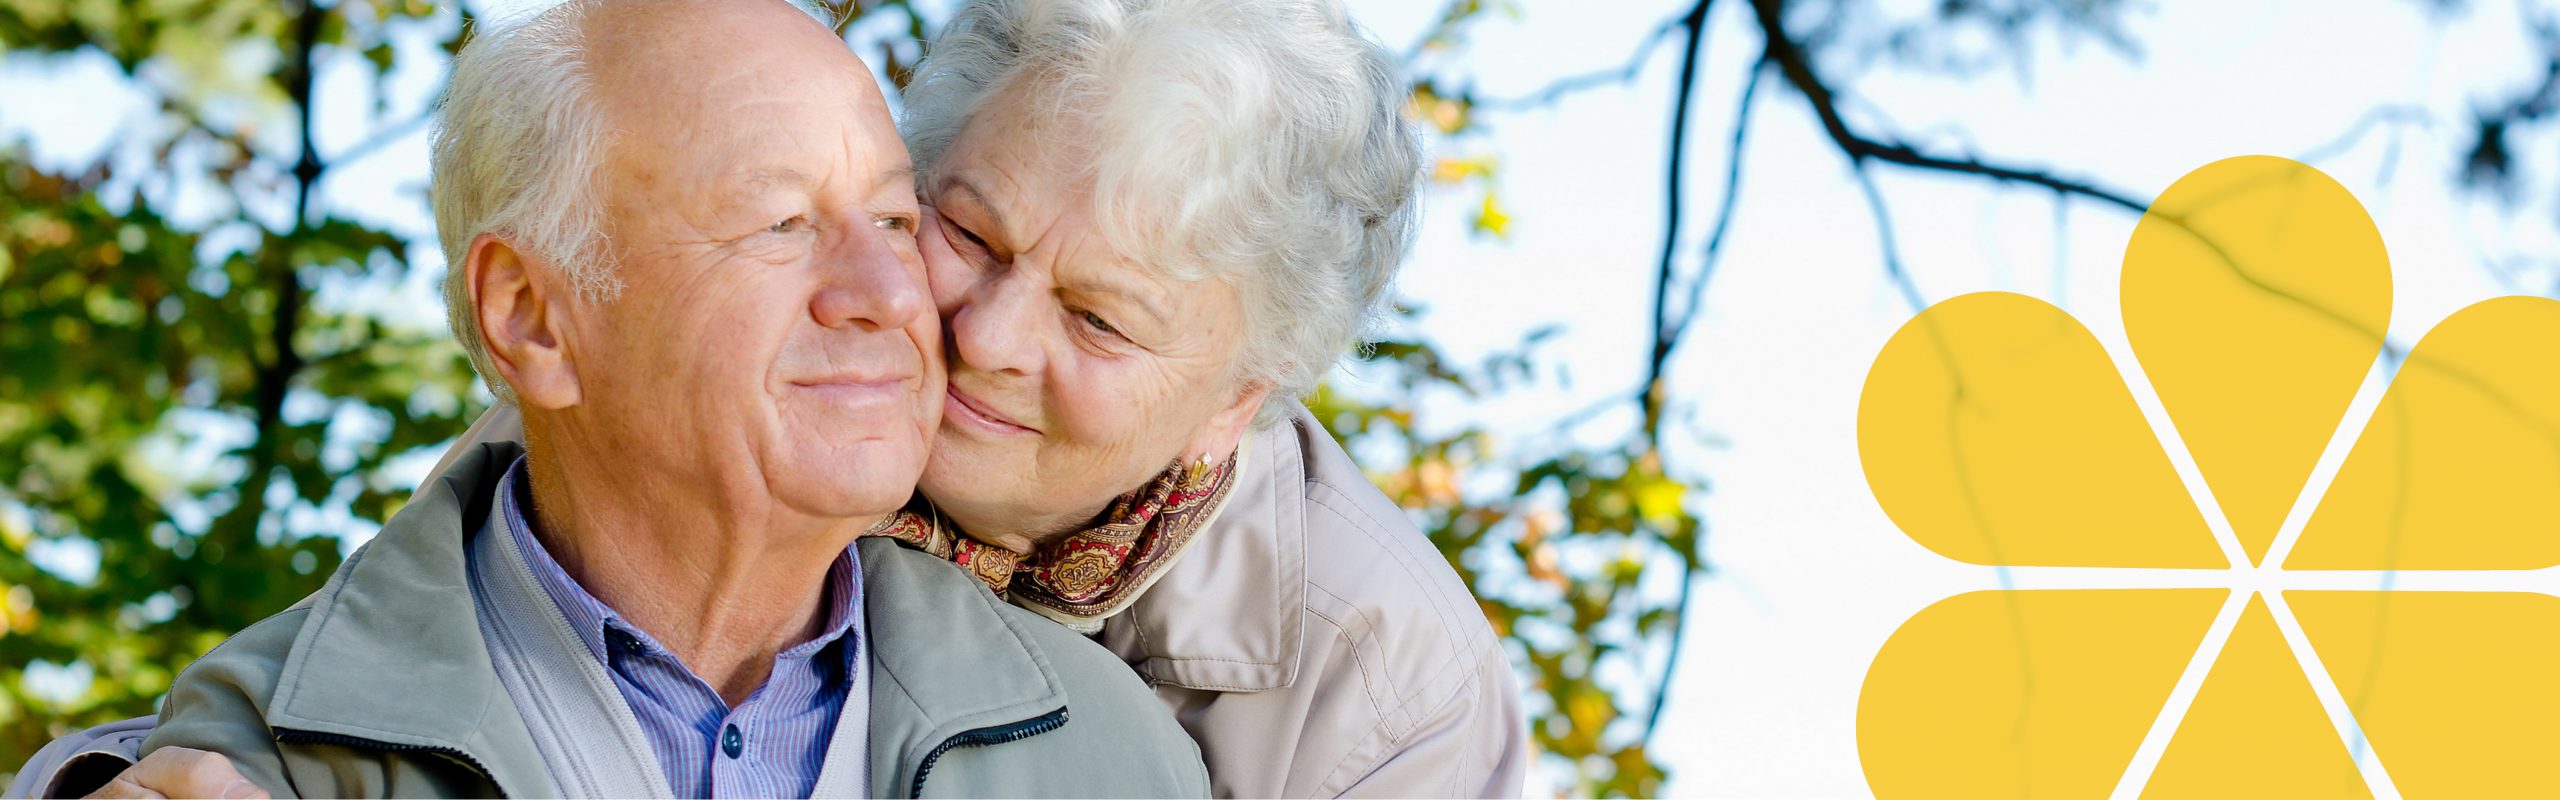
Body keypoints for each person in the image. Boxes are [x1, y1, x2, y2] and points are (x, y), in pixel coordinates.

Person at [24, 0, 1532, 796]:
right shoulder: (702, 385)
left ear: (1233, 405)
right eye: (965, 230)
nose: (975, 331)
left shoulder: (1367, 678)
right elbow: (367, 672)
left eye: (1096, 315)